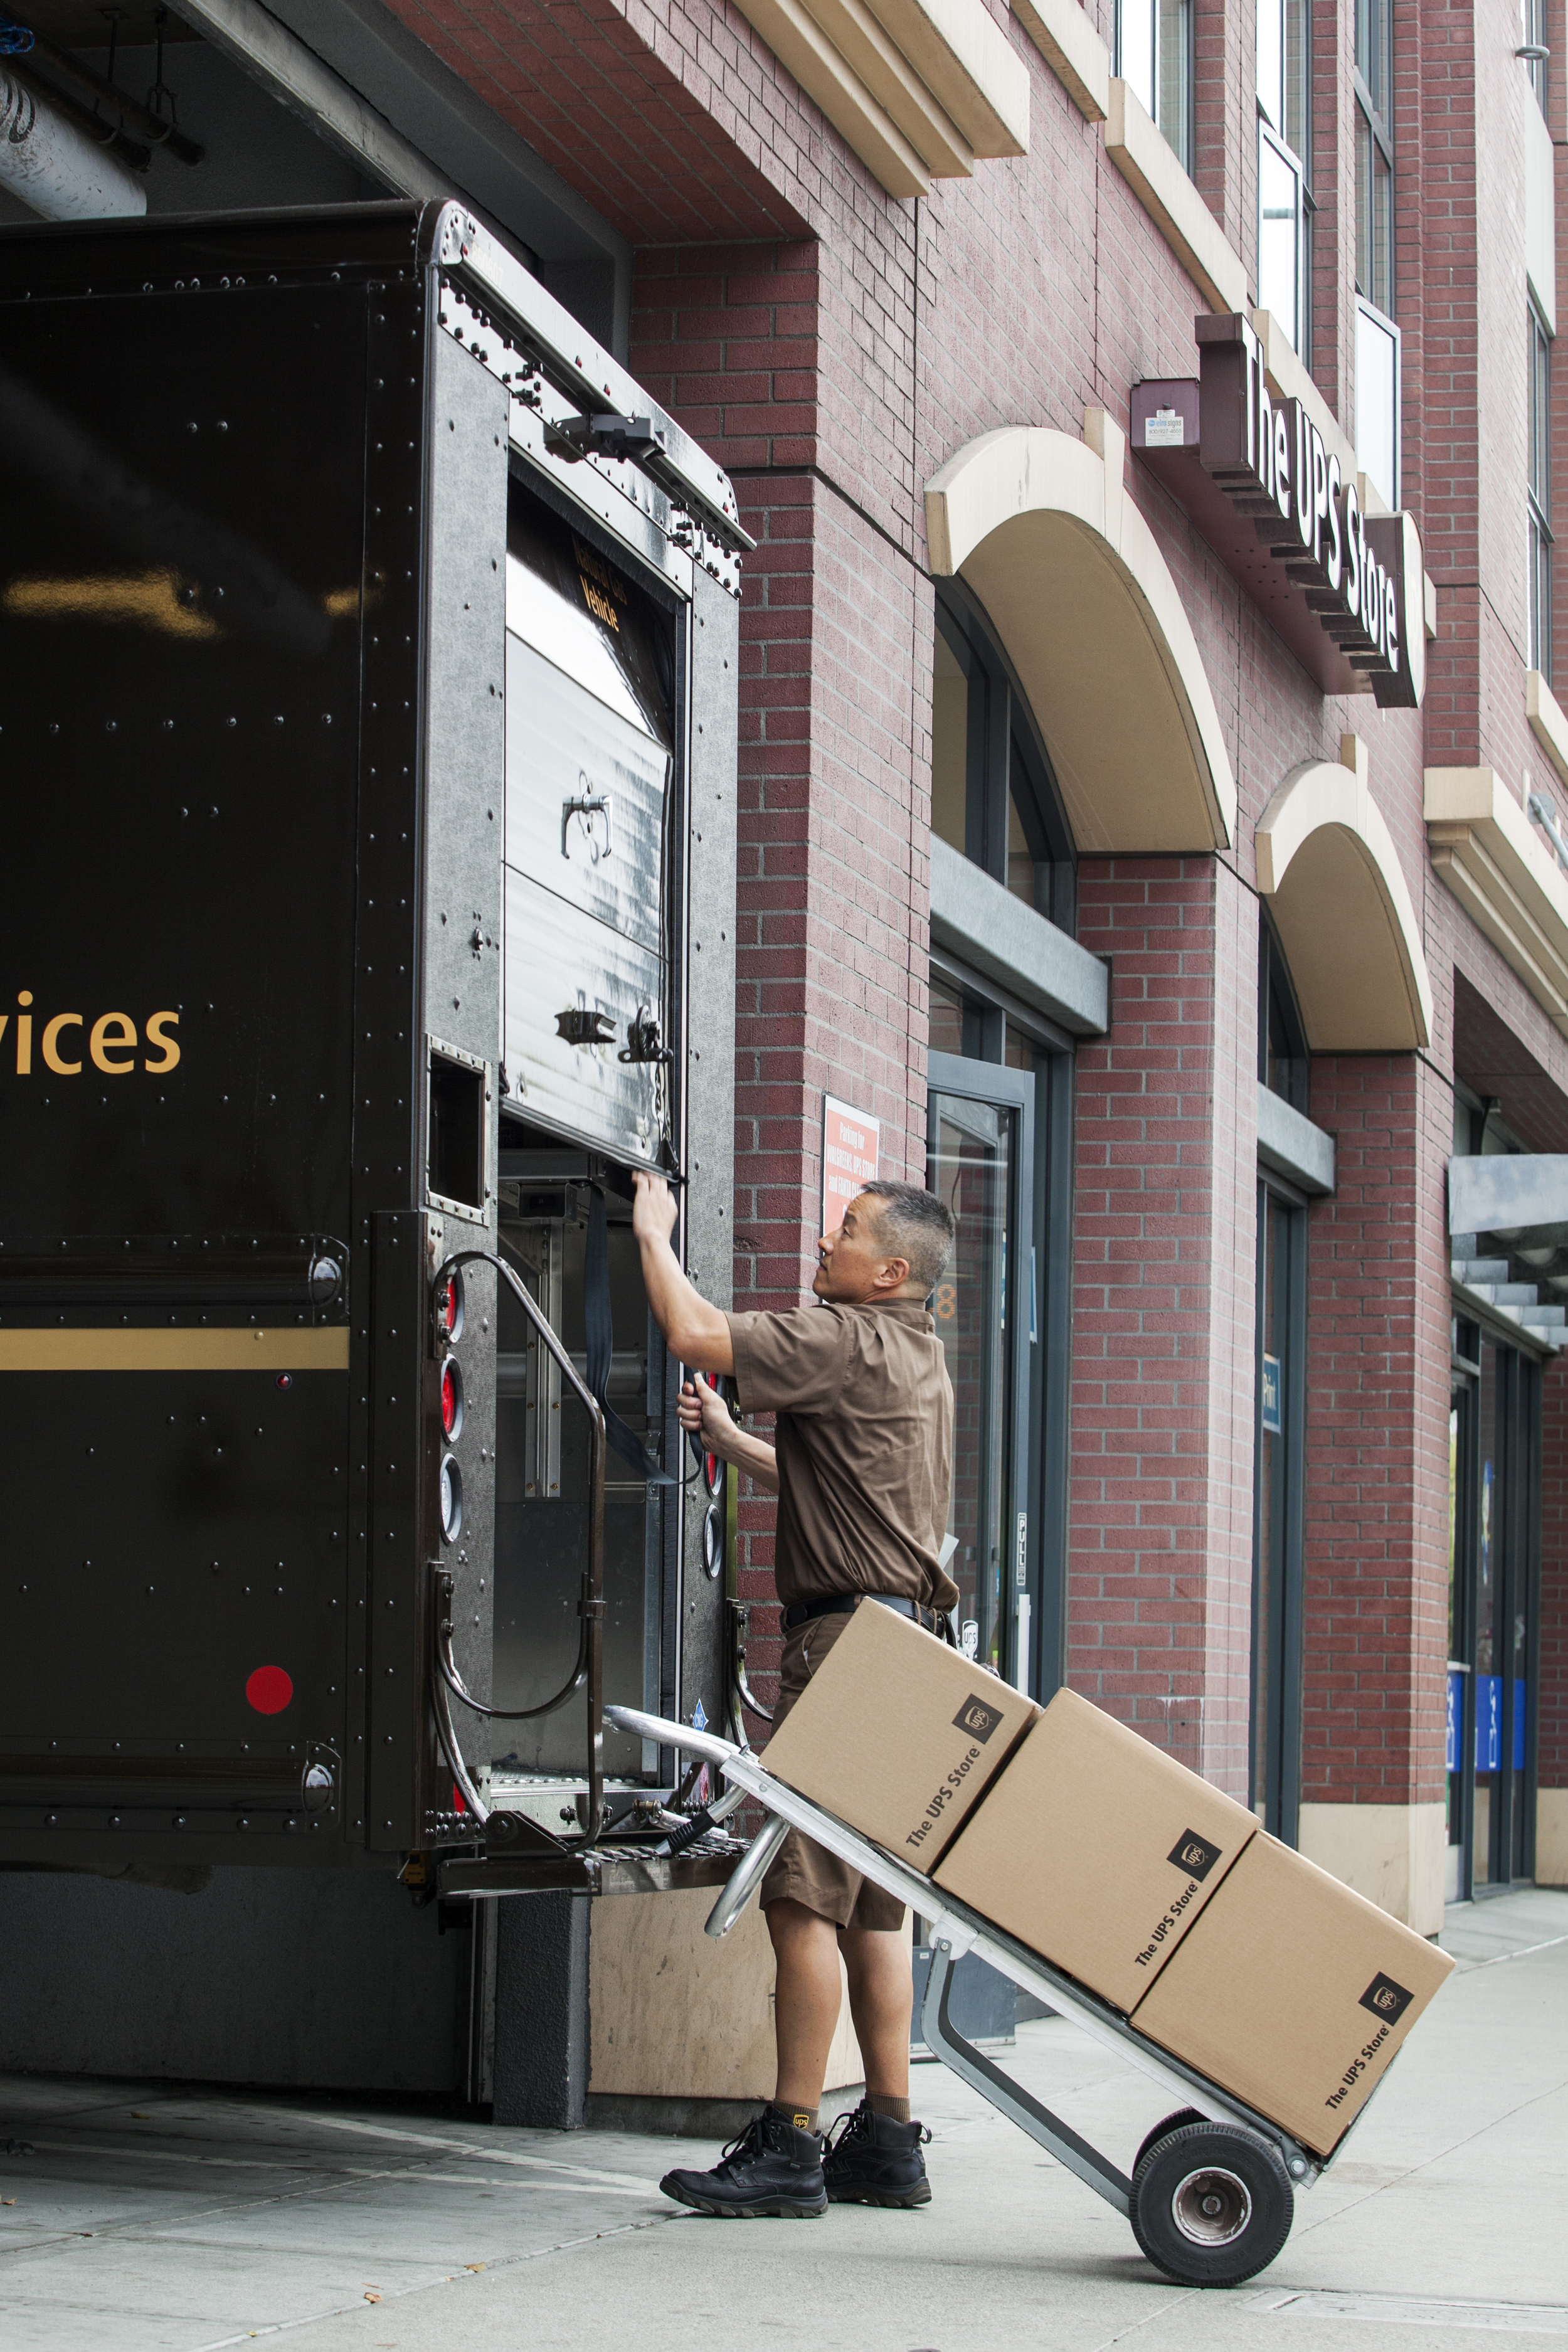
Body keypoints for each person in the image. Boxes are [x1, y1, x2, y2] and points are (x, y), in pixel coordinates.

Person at [628, 1170, 958, 2220]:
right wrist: (734, 1445)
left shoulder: (845, 1338)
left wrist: (652, 1231)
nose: (828, 1240)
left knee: (801, 1894)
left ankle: (792, 2143)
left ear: (891, 1269)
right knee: (871, 1907)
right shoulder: (916, 1354)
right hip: (907, 1651)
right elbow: (856, 1488)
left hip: (846, 1653)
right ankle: (890, 2139)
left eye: (849, 1231)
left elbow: (691, 1329)